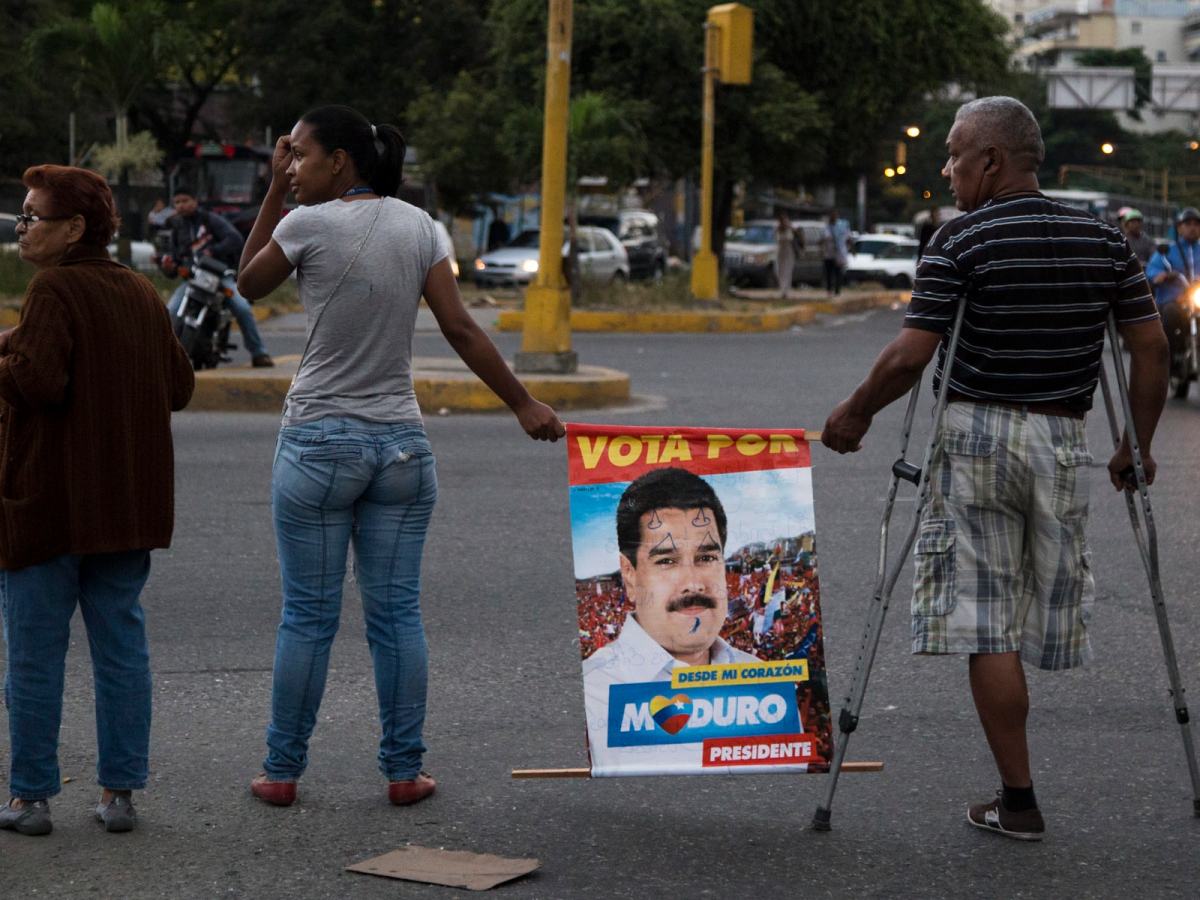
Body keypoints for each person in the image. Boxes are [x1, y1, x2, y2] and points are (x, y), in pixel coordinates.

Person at [822, 96, 1167, 841]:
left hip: (976, 434)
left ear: (992, 161)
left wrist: (854, 413)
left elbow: (913, 354)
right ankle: (1015, 790)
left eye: (952, 154)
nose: (945, 170)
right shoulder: (1105, 241)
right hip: (1063, 440)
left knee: (985, 625)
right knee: (1037, 608)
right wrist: (1134, 446)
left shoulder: (960, 241)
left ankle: (1020, 798)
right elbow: (1151, 348)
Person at [237, 105, 564, 809]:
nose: (291, 168)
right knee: (396, 616)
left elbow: (247, 283)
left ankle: (282, 770)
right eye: (286, 159)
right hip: (401, 448)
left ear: (340, 163)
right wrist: (524, 405)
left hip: (320, 441)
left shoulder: (303, 224)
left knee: (308, 618)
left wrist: (271, 195)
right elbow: (460, 327)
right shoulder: (421, 228)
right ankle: (403, 771)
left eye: (299, 156)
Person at [0, 165, 195, 837]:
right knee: (120, 650)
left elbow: (39, 384)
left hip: (48, 505)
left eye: (32, 217)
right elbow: (179, 384)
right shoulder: (140, 291)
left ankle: (29, 799)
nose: (22, 229)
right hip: (126, 507)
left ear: (74, 228)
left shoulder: (53, 287)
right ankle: (119, 795)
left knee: (33, 653)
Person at [582, 468, 760, 773]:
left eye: (706, 558)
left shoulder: (763, 681)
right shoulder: (591, 691)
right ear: (630, 575)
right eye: (667, 561)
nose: (693, 583)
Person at [161, 188, 274, 367]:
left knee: (242, 308)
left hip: (219, 277)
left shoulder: (210, 220)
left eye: (185, 201)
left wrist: (212, 252)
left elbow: (235, 239)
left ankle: (259, 353)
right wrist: (168, 267)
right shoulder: (177, 227)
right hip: (193, 280)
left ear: (195, 201)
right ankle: (166, 358)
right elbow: (175, 262)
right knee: (170, 311)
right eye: (177, 202)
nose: (181, 206)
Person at [1143, 207, 1199, 371]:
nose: (1192, 227)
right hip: (1173, 300)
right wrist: (1161, 275)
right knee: (1170, 313)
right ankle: (1169, 357)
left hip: (1197, 302)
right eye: (1187, 223)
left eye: (1196, 223)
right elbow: (1152, 271)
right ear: (1179, 227)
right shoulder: (1167, 251)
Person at [820, 209, 848, 296]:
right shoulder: (826, 227)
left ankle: (837, 290)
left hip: (839, 253)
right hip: (828, 254)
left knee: (838, 273)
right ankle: (829, 290)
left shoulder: (842, 226)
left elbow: (847, 238)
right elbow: (823, 238)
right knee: (828, 273)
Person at [774, 210, 796, 299]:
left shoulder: (790, 228)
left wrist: (790, 228)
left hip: (789, 252)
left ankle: (786, 291)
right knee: (780, 271)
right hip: (781, 252)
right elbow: (776, 238)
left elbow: (793, 238)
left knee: (788, 271)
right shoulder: (777, 229)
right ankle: (782, 289)